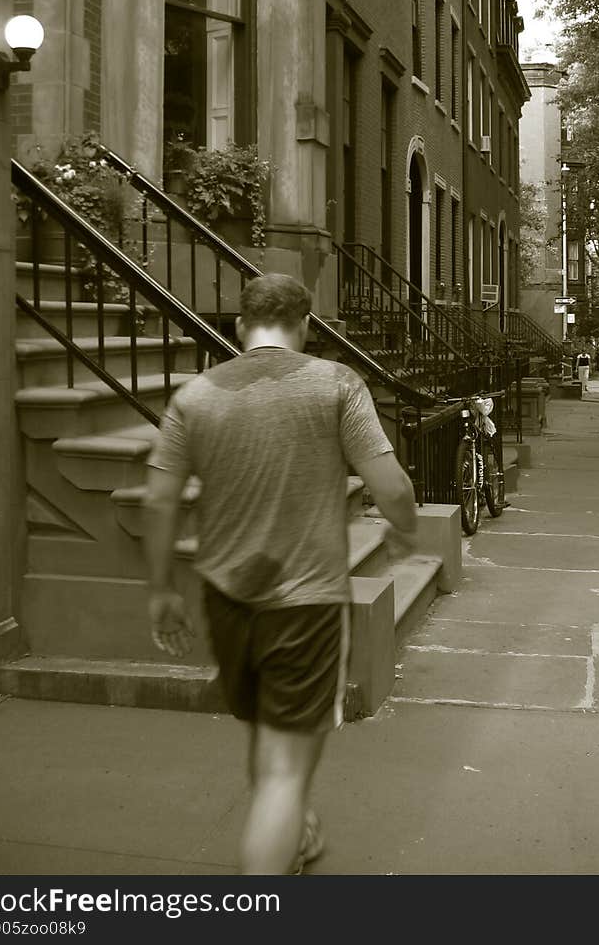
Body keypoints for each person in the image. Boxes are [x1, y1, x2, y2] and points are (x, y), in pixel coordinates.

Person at [142, 273, 418, 876]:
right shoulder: (337, 384)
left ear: (240, 327)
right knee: (287, 774)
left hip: (225, 597)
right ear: (307, 325)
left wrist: (162, 588)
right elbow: (392, 486)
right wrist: (405, 527)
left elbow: (159, 501)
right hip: (307, 603)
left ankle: (294, 830)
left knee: (271, 746)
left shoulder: (195, 395)